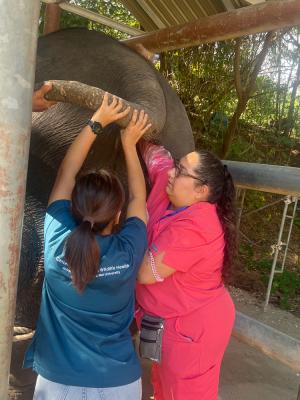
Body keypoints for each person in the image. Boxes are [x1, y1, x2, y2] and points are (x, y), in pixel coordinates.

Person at [24, 93, 151, 400]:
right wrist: (130, 144)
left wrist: (96, 122)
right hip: (120, 382)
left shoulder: (56, 239)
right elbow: (138, 198)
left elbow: (66, 172)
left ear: (72, 208)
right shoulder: (129, 250)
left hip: (57, 382)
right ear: (118, 214)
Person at [135, 142, 237, 400]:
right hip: (174, 323)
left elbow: (146, 273)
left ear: (201, 190)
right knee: (163, 387)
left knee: (184, 393)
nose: (172, 173)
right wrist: (140, 139)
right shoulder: (174, 200)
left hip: (192, 332)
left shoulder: (197, 226)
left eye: (180, 171)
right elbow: (160, 165)